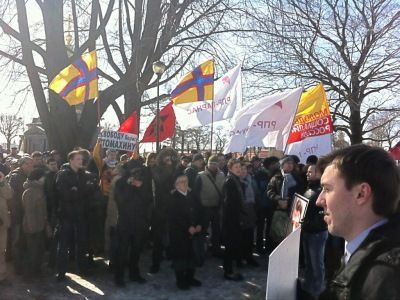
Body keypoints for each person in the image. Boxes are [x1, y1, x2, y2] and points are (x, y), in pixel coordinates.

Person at [316, 144, 400, 299]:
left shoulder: (386, 279)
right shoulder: (372, 257)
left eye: (327, 189)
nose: (319, 200)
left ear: (361, 194)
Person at [55, 150, 94, 280]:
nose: (80, 161)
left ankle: (82, 269)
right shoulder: (63, 174)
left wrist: (76, 189)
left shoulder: (84, 175)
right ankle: (61, 272)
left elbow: (90, 190)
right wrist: (79, 191)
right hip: (66, 214)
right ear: (71, 160)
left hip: (81, 214)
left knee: (81, 243)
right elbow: (64, 195)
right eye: (78, 159)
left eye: (81, 159)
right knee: (64, 244)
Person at [113, 167, 149, 287]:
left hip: (139, 221)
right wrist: (130, 185)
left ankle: (134, 274)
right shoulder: (120, 182)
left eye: (138, 172)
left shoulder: (143, 182)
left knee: (136, 250)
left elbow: (148, 199)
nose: (136, 175)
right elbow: (120, 200)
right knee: (122, 251)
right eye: (134, 172)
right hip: (125, 222)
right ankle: (119, 277)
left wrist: (140, 187)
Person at [169, 175, 203, 290]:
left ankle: (190, 277)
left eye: (186, 181)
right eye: (181, 182)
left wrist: (199, 224)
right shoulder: (173, 197)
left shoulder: (192, 195)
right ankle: (180, 280)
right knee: (180, 258)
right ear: (176, 185)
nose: (184, 183)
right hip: (179, 233)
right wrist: (188, 227)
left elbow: (199, 210)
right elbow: (175, 217)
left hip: (193, 231)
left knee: (191, 257)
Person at [300, 164, 327, 298]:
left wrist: (311, 221)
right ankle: (307, 287)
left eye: (311, 172)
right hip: (307, 231)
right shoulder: (309, 188)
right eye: (307, 172)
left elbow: (323, 213)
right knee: (309, 263)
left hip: (317, 233)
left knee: (317, 264)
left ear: (319, 174)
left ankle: (317, 291)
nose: (307, 173)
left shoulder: (322, 191)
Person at [149, 148, 179, 273]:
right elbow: (159, 180)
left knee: (174, 236)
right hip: (160, 208)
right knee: (158, 237)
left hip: (173, 207)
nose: (168, 159)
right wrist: (168, 168)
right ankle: (156, 263)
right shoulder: (157, 169)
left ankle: (174, 259)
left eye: (170, 156)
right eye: (166, 156)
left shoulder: (176, 169)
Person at [194, 155, 225, 258]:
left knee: (217, 231)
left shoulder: (222, 175)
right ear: (207, 164)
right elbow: (196, 193)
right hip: (205, 208)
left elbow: (224, 191)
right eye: (211, 163)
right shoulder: (200, 175)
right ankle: (200, 252)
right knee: (202, 231)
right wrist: (199, 207)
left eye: (215, 164)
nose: (213, 166)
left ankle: (216, 249)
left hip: (217, 207)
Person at [21, 168, 49, 277]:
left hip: (39, 226)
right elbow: (29, 212)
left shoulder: (39, 189)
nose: (45, 179)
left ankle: (37, 271)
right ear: (38, 178)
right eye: (43, 177)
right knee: (32, 251)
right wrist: (32, 228)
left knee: (39, 250)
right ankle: (29, 274)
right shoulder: (30, 191)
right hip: (32, 227)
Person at [8, 156, 33, 274]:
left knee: (24, 240)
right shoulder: (16, 176)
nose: (30, 166)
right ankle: (17, 266)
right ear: (21, 164)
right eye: (27, 164)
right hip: (17, 214)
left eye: (31, 164)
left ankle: (23, 264)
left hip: (26, 213)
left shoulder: (29, 175)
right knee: (16, 240)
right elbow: (14, 197)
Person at [222, 159, 245, 281]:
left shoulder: (235, 180)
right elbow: (228, 203)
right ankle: (228, 271)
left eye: (239, 167)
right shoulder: (230, 181)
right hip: (230, 219)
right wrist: (235, 218)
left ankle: (230, 269)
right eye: (236, 167)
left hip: (234, 218)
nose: (239, 169)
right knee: (229, 246)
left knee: (232, 245)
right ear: (230, 169)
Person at [239, 164, 259, 267]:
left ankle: (249, 257)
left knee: (250, 236)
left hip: (250, 210)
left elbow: (256, 195)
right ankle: (240, 257)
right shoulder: (235, 182)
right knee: (240, 236)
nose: (243, 171)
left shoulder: (251, 181)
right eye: (240, 169)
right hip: (240, 212)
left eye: (244, 169)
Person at [0, 166, 12, 285]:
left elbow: (9, 195)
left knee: (1, 249)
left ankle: (1, 276)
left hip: (2, 222)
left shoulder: (2, 181)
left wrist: (2, 182)